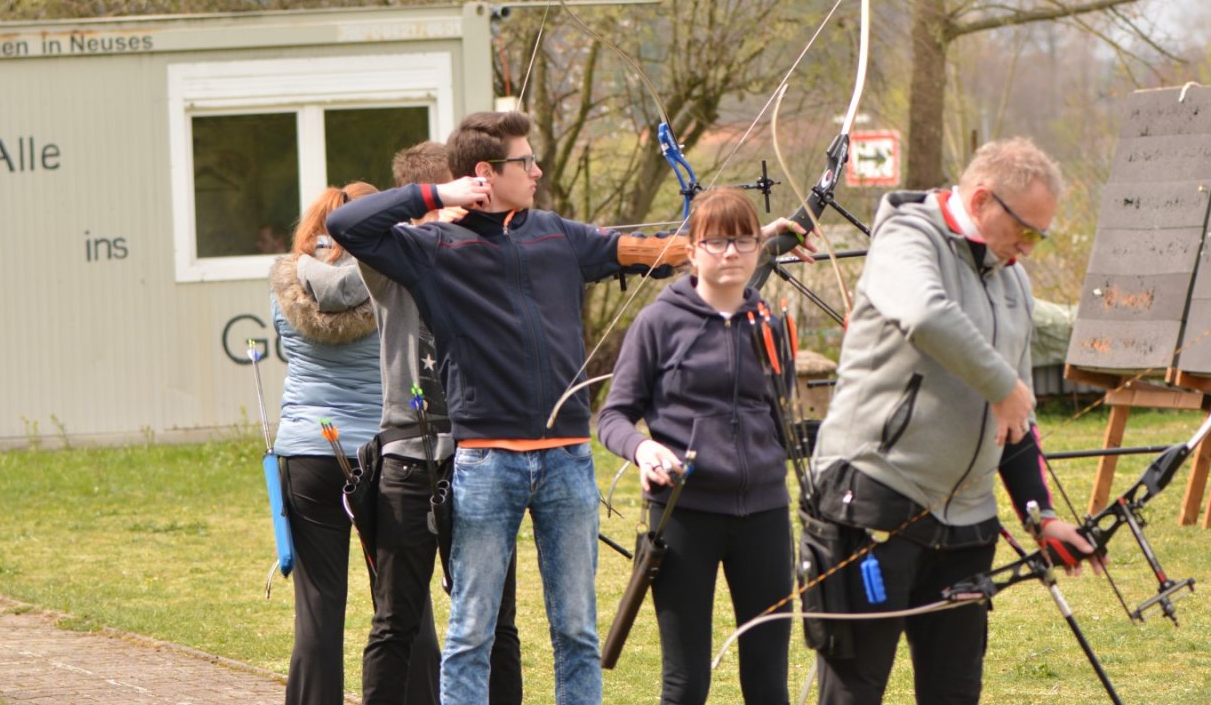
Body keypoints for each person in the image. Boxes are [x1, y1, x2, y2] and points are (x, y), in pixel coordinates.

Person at [326, 110, 691, 705]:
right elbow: (345, 223)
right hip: (486, 461)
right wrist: (438, 194)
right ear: (486, 173)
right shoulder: (434, 246)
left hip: (568, 460)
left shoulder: (555, 233)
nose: (538, 171)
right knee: (471, 632)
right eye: (526, 161)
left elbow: (651, 250)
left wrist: (742, 237)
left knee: (576, 631)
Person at [805, 137, 1100, 705]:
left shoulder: (1012, 279)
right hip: (871, 504)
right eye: (1026, 230)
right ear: (983, 199)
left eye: (1041, 236)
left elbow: (1016, 416)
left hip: (967, 522)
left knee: (955, 692)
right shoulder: (905, 237)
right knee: (853, 692)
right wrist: (1001, 386)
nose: (1029, 248)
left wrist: (1041, 516)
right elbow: (925, 313)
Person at [598, 187, 814, 705]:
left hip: (764, 514)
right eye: (717, 241)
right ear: (693, 250)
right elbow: (612, 416)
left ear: (758, 248)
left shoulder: (773, 325)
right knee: (686, 682)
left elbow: (780, 422)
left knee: (768, 683)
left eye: (744, 240)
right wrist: (642, 450)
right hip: (683, 515)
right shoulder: (658, 322)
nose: (731, 252)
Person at [360, 142, 523, 705]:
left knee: (496, 622)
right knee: (395, 620)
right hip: (409, 463)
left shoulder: (482, 253)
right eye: (468, 189)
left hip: (483, 458)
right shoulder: (392, 258)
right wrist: (431, 210)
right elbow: (351, 223)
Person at [270, 181, 433, 705]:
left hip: (307, 452)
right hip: (386, 455)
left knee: (318, 607)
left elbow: (286, 345)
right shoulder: (393, 279)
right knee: (404, 602)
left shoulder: (286, 286)